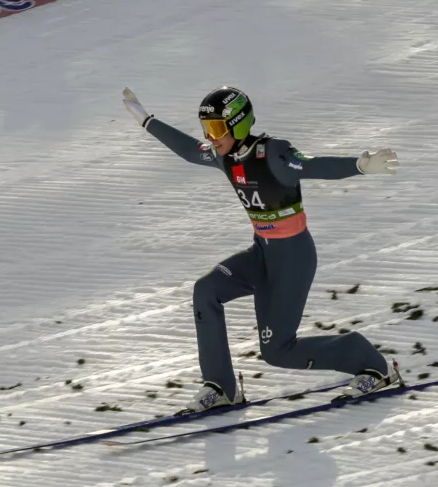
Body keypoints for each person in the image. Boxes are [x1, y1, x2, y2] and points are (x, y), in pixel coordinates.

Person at [121, 86, 402, 413]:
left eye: (216, 129)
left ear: (238, 124)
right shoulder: (224, 156)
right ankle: (222, 386)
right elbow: (188, 150)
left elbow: (312, 166)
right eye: (207, 129)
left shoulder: (272, 154)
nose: (211, 138)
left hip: (292, 259)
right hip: (262, 254)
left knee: (278, 352)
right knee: (206, 291)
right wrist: (147, 121)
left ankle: (373, 365)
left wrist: (359, 166)